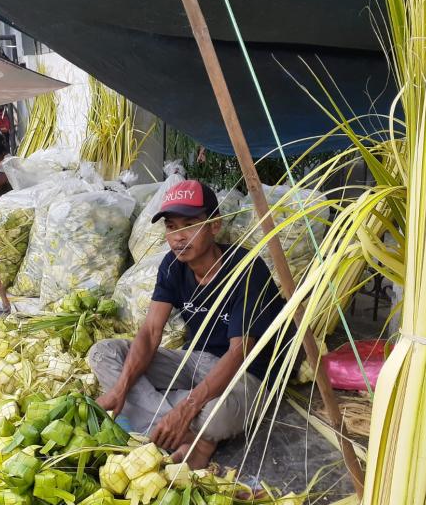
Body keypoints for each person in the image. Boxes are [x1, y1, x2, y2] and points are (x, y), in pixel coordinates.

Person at [88, 180, 285, 469]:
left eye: (189, 224)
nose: (178, 237)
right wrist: (121, 386)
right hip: (194, 361)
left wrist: (187, 406)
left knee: (215, 416)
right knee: (103, 353)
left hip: (244, 373)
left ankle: (177, 422)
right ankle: (189, 433)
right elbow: (151, 332)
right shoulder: (172, 265)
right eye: (170, 227)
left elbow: (238, 353)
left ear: (214, 226)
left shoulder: (246, 269)